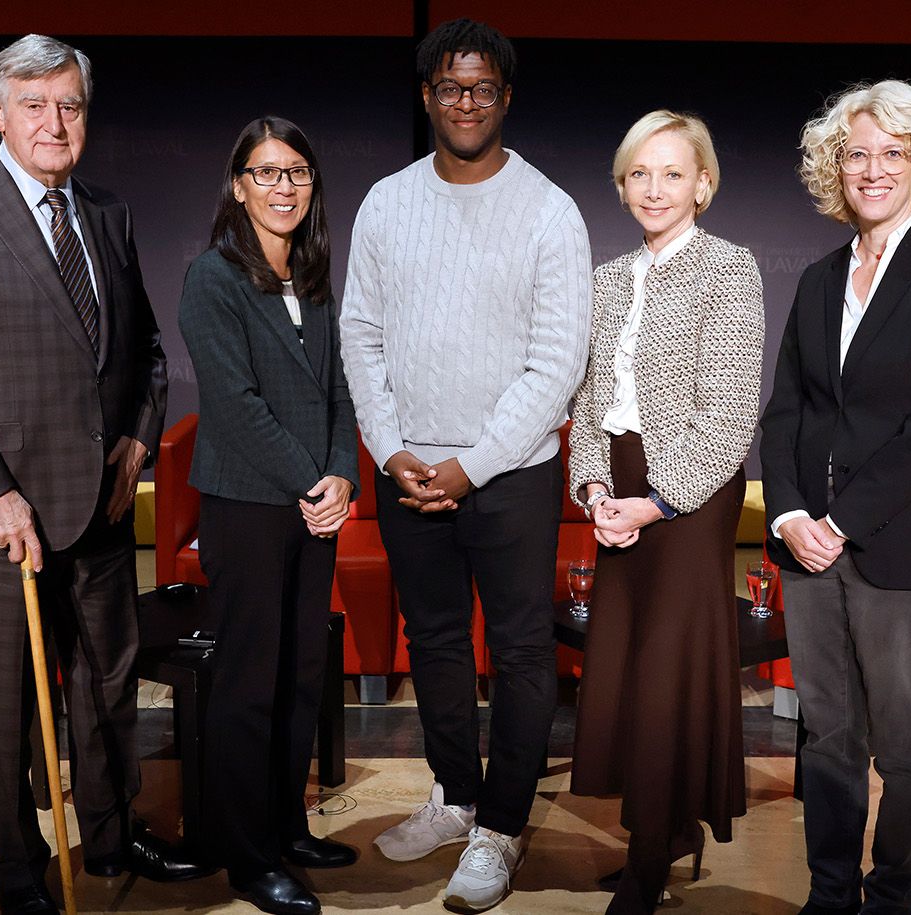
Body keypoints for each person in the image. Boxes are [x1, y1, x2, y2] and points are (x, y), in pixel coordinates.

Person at [0, 34, 206, 915]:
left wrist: (139, 442)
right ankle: (17, 864)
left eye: (69, 104)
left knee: (107, 684)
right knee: (6, 704)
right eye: (33, 104)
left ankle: (111, 832)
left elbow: (142, 351)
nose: (53, 122)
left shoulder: (107, 211)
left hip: (99, 507)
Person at [340, 18, 592, 912]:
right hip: (407, 468)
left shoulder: (549, 210)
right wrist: (393, 448)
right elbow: (361, 335)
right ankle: (455, 796)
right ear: (428, 97)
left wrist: (472, 465)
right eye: (450, 88)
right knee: (436, 642)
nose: (466, 103)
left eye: (483, 88)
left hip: (512, 474)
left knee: (522, 651)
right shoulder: (386, 203)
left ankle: (502, 826)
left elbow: (558, 360)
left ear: (505, 98)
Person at [760, 80, 911, 915]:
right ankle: (829, 893)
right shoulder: (821, 278)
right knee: (827, 739)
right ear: (836, 166)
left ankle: (892, 894)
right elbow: (786, 407)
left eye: (892, 153)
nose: (872, 169)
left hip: (908, 548)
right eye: (856, 152)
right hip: (810, 550)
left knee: (905, 749)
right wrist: (791, 516)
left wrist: (840, 521)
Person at [566, 110, 764, 914]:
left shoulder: (730, 269)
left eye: (673, 173)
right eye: (640, 173)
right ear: (621, 185)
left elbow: (727, 416)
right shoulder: (607, 277)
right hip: (616, 486)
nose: (655, 188)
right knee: (625, 662)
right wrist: (593, 494)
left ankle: (652, 854)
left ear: (703, 185)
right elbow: (585, 402)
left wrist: (649, 503)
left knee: (667, 672)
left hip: (688, 493)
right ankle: (661, 825)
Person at [177, 116, 362, 915]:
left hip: (312, 509)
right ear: (239, 184)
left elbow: (341, 391)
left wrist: (344, 477)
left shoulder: (315, 278)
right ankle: (248, 856)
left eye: (298, 173)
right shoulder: (212, 278)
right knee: (249, 684)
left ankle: (287, 824)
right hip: (249, 509)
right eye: (267, 172)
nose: (283, 187)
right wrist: (313, 480)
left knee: (300, 675)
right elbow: (238, 406)